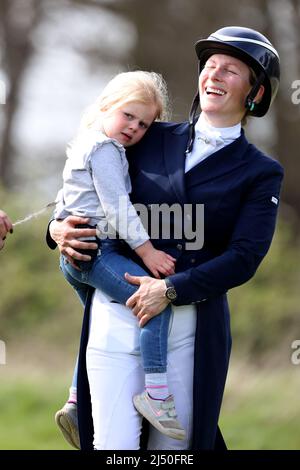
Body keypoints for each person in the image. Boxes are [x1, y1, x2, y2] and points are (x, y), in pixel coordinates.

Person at [47, 26, 283, 450]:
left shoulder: (260, 172)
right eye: (210, 66)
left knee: (172, 456)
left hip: (190, 330)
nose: (214, 74)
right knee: (113, 451)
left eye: (230, 70)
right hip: (115, 320)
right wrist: (56, 229)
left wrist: (170, 290)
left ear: (256, 94)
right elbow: (86, 187)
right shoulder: (147, 136)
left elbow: (245, 257)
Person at [53, 70, 186, 449]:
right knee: (154, 302)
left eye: (143, 124)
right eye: (128, 115)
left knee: (96, 324)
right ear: (106, 106)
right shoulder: (106, 150)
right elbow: (116, 207)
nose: (134, 128)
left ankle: (78, 402)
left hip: (77, 258)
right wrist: (147, 252)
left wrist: (57, 226)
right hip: (97, 252)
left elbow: (67, 199)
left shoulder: (85, 143)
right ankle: (157, 395)